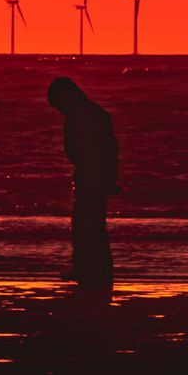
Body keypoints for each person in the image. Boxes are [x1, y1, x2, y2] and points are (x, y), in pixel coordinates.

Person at [47, 77, 118, 287]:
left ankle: (91, 270)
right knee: (91, 225)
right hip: (94, 174)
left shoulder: (81, 115)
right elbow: (111, 150)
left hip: (91, 175)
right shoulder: (95, 113)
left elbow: (102, 150)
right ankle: (94, 269)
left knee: (87, 225)